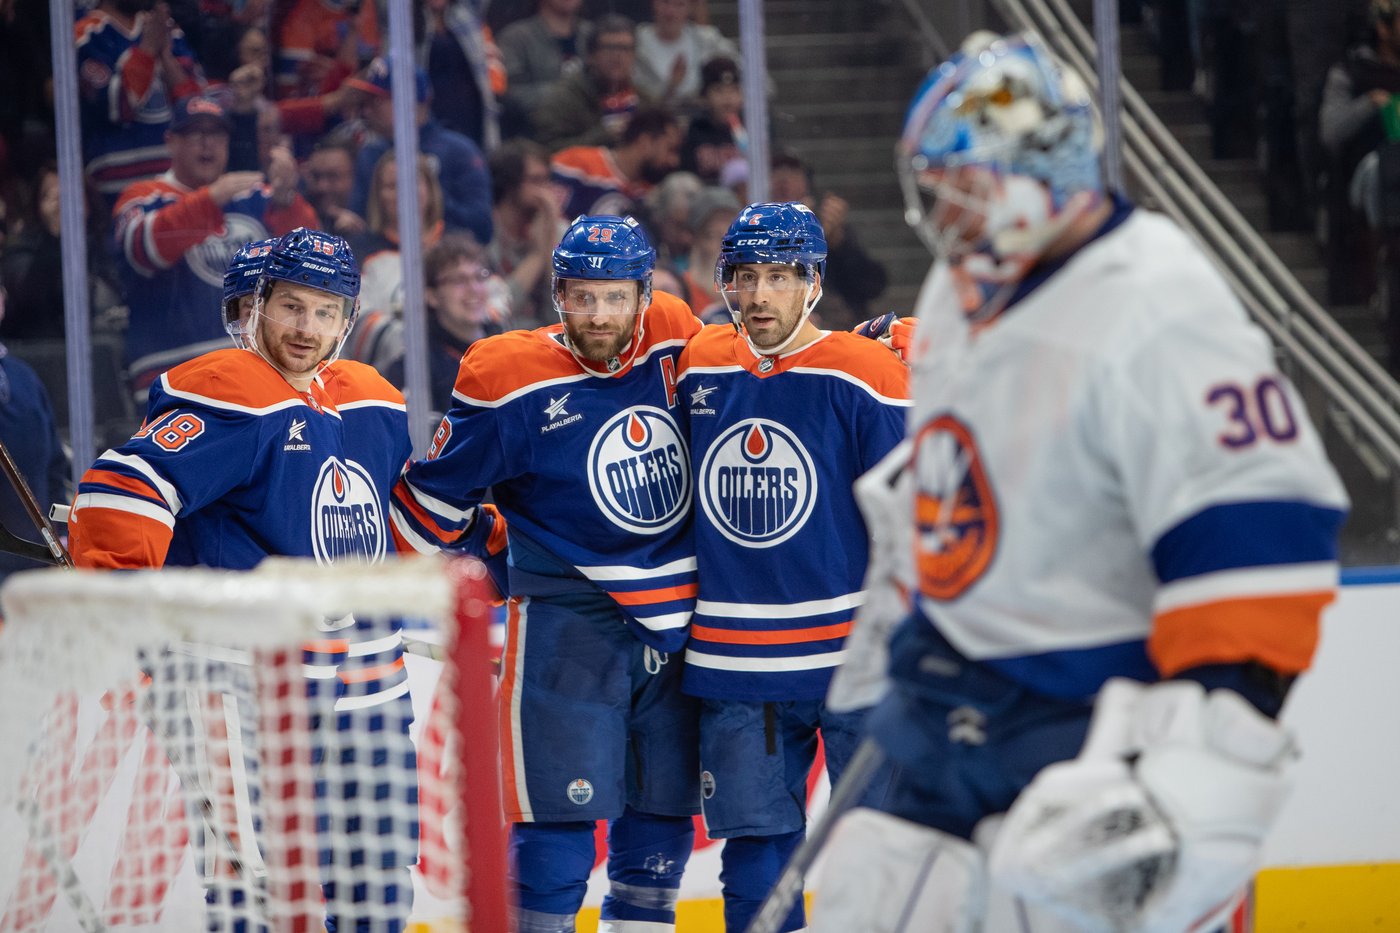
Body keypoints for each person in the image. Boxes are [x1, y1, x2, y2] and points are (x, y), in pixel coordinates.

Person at [808, 32, 1350, 932]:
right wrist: (905, 637)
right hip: (948, 707)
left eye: (965, 192)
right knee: (864, 897)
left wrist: (1186, 779)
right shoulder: (959, 287)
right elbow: (950, 480)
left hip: (1091, 722)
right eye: (937, 194)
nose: (945, 220)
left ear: (1038, 180)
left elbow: (1264, 549)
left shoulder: (1160, 304)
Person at [68, 228, 426, 933]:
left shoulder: (373, 400)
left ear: (348, 318)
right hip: (254, 696)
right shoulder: (230, 394)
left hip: (373, 692)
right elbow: (123, 493)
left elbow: (407, 520)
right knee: (258, 896)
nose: (307, 328)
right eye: (291, 306)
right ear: (257, 305)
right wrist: (124, 595)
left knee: (379, 897)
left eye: (326, 311)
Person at [390, 215, 703, 932]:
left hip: (681, 621)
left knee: (661, 813)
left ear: (643, 293)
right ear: (558, 293)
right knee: (557, 825)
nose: (598, 314)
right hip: (569, 627)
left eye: (614, 297)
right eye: (582, 296)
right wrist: (497, 544)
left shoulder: (678, 335)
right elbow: (421, 510)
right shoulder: (507, 377)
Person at [676, 200, 908, 932]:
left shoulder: (868, 372)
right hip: (736, 661)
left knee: (878, 857)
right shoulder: (700, 364)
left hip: (856, 659)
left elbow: (913, 518)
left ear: (812, 283)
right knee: (754, 864)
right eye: (745, 276)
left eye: (779, 275)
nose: (760, 295)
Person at [112, 93, 318, 405]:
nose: (208, 144)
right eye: (196, 134)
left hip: (253, 366)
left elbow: (314, 266)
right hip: (172, 370)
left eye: (217, 134)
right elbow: (142, 250)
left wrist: (288, 204)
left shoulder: (256, 196)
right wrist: (210, 199)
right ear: (171, 142)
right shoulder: (143, 197)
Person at [346, 56, 494, 246]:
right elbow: (362, 221)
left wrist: (428, 196)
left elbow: (482, 228)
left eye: (378, 101)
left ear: (412, 101)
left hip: (447, 260)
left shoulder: (458, 151)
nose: (366, 111)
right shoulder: (370, 154)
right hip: (381, 262)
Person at [77, 0, 206, 207]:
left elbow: (196, 107)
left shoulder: (165, 28)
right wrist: (147, 49)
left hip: (174, 181)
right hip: (114, 186)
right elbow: (117, 107)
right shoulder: (87, 34)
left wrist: (165, 57)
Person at [769, 150, 888, 326]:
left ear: (807, 182)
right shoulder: (750, 229)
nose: (784, 179)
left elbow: (873, 285)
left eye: (792, 171)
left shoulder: (829, 223)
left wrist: (837, 243)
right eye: (776, 170)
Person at [531, 14, 649, 151]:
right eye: (609, 47)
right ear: (591, 56)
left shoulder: (644, 100)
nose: (618, 55)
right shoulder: (564, 98)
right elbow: (546, 150)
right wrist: (600, 138)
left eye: (625, 48)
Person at [551, 106, 682, 222]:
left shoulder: (650, 194)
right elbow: (549, 222)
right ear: (645, 142)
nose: (674, 161)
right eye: (670, 149)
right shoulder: (576, 163)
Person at [487, 138, 566, 328]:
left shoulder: (560, 230)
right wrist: (537, 255)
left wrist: (551, 239)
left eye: (547, 180)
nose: (545, 191)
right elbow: (497, 309)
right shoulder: (484, 232)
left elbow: (561, 316)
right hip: (499, 340)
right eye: (536, 181)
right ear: (509, 183)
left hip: (547, 341)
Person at [633, 0, 739, 115]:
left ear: (689, 9)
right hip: (652, 119)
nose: (670, 12)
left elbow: (743, 68)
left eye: (679, 5)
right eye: (665, 3)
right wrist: (671, 86)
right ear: (654, 4)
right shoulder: (636, 42)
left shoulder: (707, 39)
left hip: (701, 122)